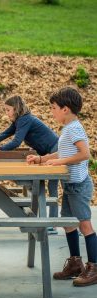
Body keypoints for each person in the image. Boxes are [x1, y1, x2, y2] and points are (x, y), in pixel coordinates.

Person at [27, 87, 97, 286]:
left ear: (65, 109)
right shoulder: (68, 129)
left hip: (78, 186)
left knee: (85, 226)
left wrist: (59, 163)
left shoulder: (74, 128)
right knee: (68, 224)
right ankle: (75, 265)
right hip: (69, 185)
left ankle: (94, 267)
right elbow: (60, 153)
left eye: (54, 108)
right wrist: (41, 159)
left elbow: (85, 154)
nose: (52, 111)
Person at [0, 96, 59, 233]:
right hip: (48, 151)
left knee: (53, 186)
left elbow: (16, 142)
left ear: (16, 109)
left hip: (56, 149)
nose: (6, 113)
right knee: (51, 186)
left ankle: (54, 224)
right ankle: (53, 223)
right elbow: (5, 134)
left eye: (8, 110)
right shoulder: (20, 121)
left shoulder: (25, 119)